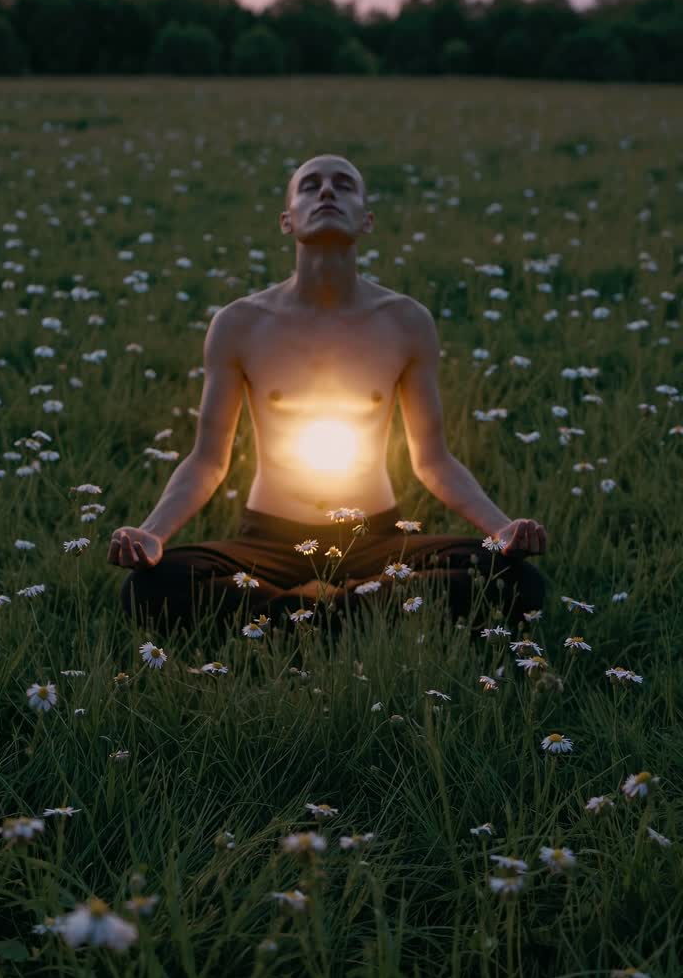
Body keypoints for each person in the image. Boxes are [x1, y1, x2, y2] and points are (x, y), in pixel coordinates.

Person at [108, 153, 547, 642]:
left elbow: (434, 461)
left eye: (344, 184)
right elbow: (208, 460)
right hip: (269, 541)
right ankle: (360, 613)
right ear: (286, 220)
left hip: (375, 538)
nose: (326, 192)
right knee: (148, 588)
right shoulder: (240, 324)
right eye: (310, 185)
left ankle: (298, 620)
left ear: (367, 220)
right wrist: (153, 533)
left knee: (516, 580)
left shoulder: (405, 321)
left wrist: (502, 529)